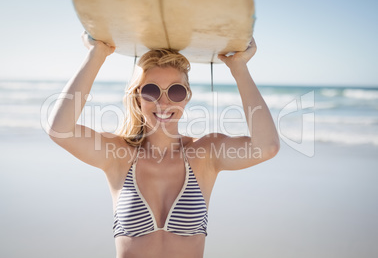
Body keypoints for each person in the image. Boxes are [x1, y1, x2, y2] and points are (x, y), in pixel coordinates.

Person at [48, 31, 279, 258]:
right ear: (137, 97)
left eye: (176, 91)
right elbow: (60, 129)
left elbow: (267, 146)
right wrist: (96, 55)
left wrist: (239, 68)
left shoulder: (206, 153)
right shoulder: (117, 153)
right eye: (151, 91)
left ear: (187, 97)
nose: (163, 102)